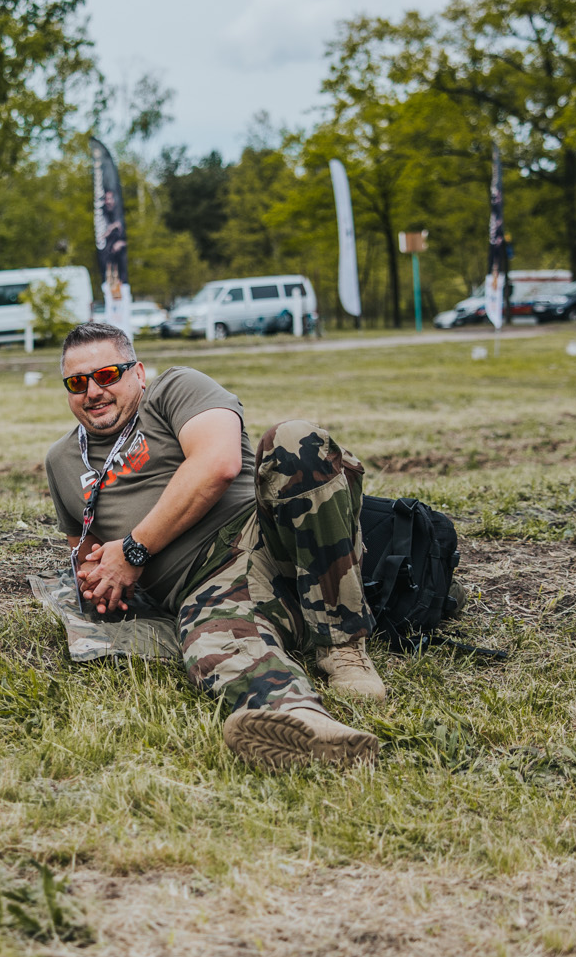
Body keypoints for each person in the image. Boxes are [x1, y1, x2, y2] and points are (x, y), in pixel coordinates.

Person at [44, 322, 383, 772]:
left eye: (107, 375)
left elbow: (217, 464)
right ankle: (305, 724)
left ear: (138, 373)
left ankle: (342, 646)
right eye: (77, 382)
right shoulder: (62, 461)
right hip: (204, 588)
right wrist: (102, 582)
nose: (92, 391)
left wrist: (132, 551)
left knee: (295, 437)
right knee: (215, 645)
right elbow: (88, 557)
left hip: (269, 537)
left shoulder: (175, 389)